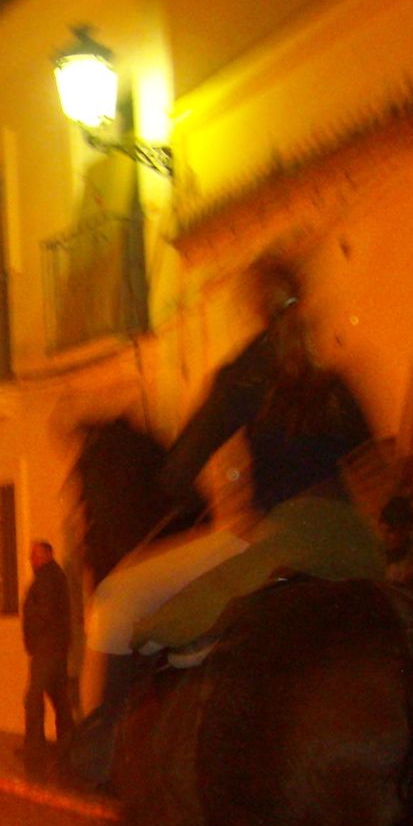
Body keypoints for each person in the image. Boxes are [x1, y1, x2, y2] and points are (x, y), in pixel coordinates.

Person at [85, 251, 383, 728]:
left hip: (276, 538)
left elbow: (177, 472)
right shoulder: (337, 384)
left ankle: (102, 742)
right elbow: (376, 466)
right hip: (359, 547)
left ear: (254, 309)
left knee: (120, 599)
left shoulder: (243, 378)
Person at [18, 540, 74, 772]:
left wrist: (35, 638)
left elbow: (44, 613)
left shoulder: (48, 579)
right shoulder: (53, 577)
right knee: (58, 695)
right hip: (55, 646)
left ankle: (35, 746)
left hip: (47, 647)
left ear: (46, 556)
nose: (31, 560)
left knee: (34, 696)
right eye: (32, 556)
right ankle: (68, 743)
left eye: (35, 556)